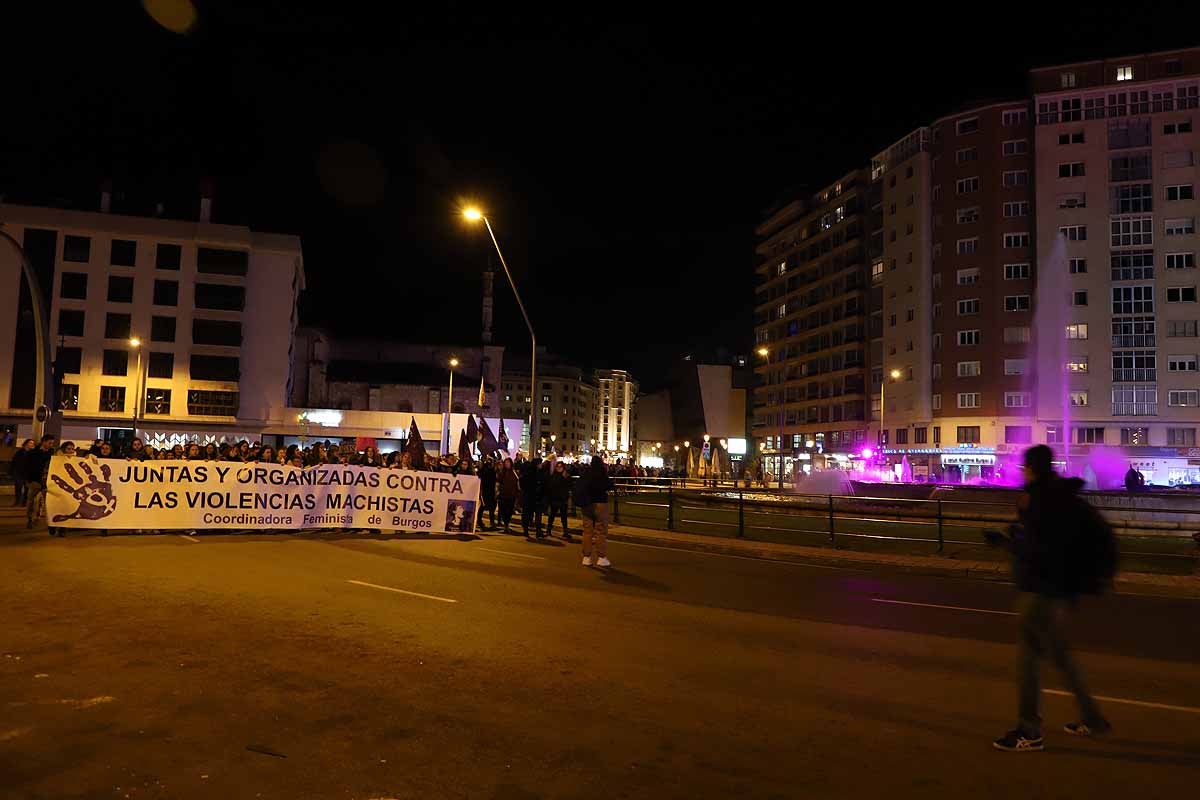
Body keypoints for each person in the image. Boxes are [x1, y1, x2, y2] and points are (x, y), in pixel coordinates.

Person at [991, 445, 1109, 753]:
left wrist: (1006, 543)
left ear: (1030, 468)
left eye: (1024, 467)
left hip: (1041, 589)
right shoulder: (1060, 496)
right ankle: (1092, 718)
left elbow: (1038, 551)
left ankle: (1029, 730)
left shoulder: (1039, 500)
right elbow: (1049, 543)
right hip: (1061, 588)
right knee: (1061, 655)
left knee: (1028, 659)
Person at [576, 456, 613, 566]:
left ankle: (586, 557)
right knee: (601, 531)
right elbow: (609, 485)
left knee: (587, 531)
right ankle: (601, 557)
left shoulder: (586, 473)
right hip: (600, 503)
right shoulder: (601, 473)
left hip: (587, 504)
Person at [23, 434, 57, 529]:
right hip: (34, 480)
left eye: (52, 443)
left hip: (46, 481)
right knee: (31, 500)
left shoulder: (51, 453)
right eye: (49, 443)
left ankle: (38, 517)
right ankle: (29, 518)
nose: (51, 445)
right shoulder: (33, 453)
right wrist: (27, 479)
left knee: (44, 501)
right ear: (44, 442)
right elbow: (26, 466)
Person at [544, 460, 571, 539]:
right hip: (554, 498)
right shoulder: (554, 476)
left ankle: (565, 531)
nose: (559, 468)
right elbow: (553, 485)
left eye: (561, 467)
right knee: (552, 515)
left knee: (564, 516)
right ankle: (548, 530)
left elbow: (568, 485)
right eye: (558, 466)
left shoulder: (566, 476)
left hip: (562, 499)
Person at [520, 456, 545, 539]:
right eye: (540, 463)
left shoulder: (538, 472)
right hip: (531, 497)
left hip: (534, 497)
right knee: (530, 514)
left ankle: (535, 530)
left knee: (535, 514)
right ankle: (529, 530)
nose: (541, 465)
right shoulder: (532, 473)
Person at [497, 457, 519, 533]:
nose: (507, 464)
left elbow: (517, 483)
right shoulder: (502, 473)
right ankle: (505, 524)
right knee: (503, 510)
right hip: (503, 495)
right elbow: (498, 483)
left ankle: (507, 524)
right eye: (505, 463)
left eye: (508, 463)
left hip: (511, 495)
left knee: (509, 511)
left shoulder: (514, 472)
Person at [10, 438, 34, 507]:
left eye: (33, 443)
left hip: (27, 474)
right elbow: (14, 462)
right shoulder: (19, 452)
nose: (32, 444)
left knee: (27, 489)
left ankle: (24, 503)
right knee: (18, 488)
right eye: (30, 443)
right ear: (26, 444)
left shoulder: (32, 453)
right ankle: (17, 501)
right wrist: (12, 472)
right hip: (19, 473)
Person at [477, 457, 497, 530]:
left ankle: (491, 522)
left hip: (490, 491)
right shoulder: (485, 470)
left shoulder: (492, 470)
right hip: (486, 491)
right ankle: (480, 521)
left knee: (490, 508)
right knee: (484, 506)